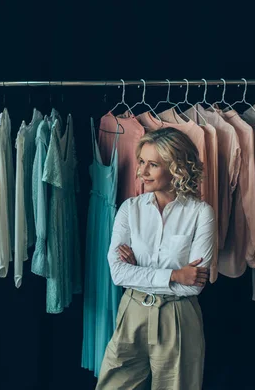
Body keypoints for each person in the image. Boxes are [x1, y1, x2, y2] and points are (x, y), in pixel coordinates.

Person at [96, 127, 215, 390]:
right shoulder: (130, 209)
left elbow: (193, 285)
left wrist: (140, 272)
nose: (141, 172)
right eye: (141, 162)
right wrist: (173, 274)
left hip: (178, 316)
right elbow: (118, 273)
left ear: (177, 168)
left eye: (153, 165)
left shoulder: (201, 214)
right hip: (132, 311)